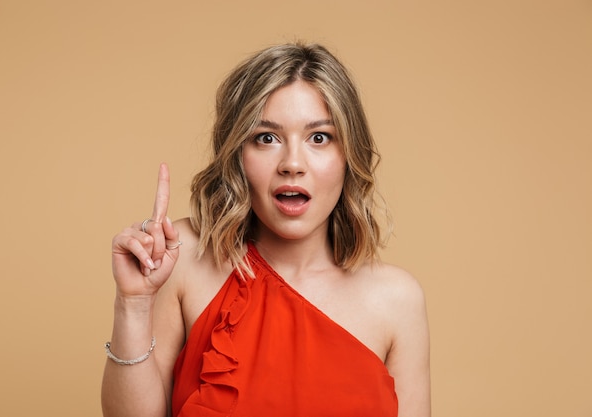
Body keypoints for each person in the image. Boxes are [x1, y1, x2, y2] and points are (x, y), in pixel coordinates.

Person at [101, 42, 430, 417]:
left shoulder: (396, 300)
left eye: (319, 137)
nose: (292, 163)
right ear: (237, 154)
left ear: (349, 155)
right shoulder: (184, 257)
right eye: (266, 138)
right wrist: (133, 304)